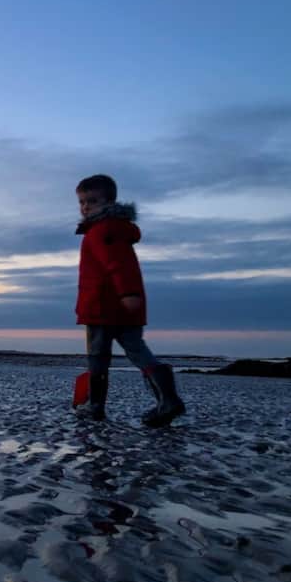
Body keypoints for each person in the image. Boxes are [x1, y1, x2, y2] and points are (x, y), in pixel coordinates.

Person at [75, 174, 186, 427]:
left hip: (103, 307)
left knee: (98, 356)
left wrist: (128, 294)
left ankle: (95, 406)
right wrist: (130, 295)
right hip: (121, 306)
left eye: (92, 201)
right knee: (137, 350)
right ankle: (168, 399)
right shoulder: (112, 229)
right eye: (82, 201)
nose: (85, 207)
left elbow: (118, 265)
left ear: (109, 201)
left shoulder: (102, 231)